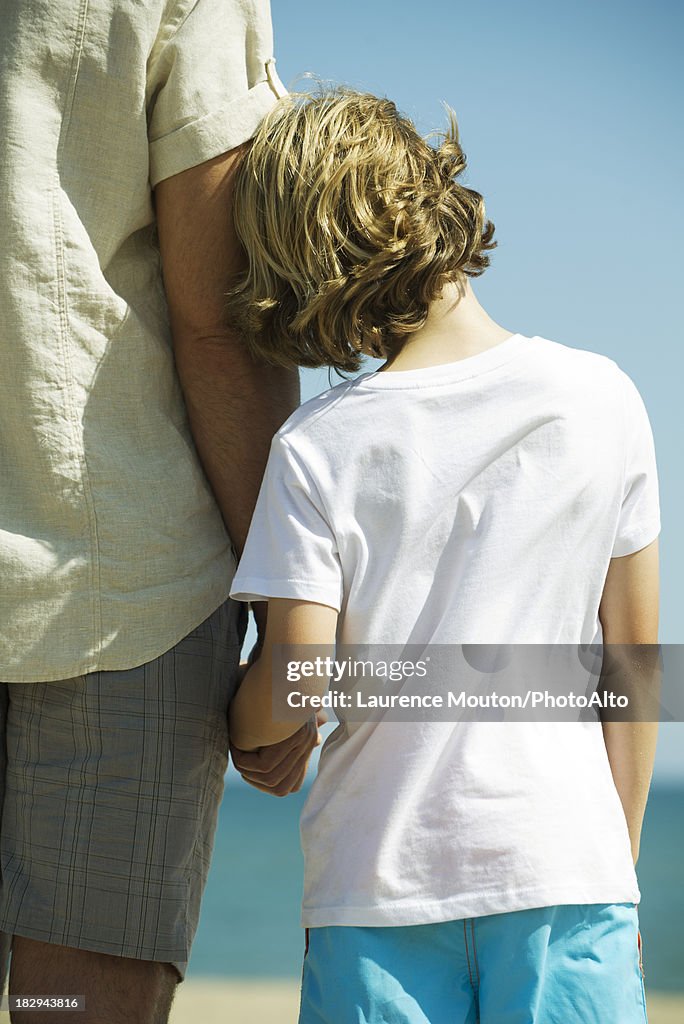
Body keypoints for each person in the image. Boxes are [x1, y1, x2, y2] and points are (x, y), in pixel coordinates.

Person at [226, 89, 661, 1023]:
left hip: (376, 887)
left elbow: (301, 682)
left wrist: (245, 727)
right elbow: (632, 670)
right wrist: (615, 871)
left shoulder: (318, 444)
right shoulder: (603, 398)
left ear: (307, 261)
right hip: (565, 874)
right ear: (439, 203)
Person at [0, 3, 319, 1023]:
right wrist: (288, 615)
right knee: (71, 1012)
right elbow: (218, 316)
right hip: (113, 584)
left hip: (112, 590)